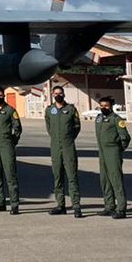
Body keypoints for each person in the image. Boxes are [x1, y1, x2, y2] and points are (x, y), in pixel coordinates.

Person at [44, 85, 83, 218]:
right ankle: (60, 205)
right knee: (57, 177)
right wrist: (56, 138)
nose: (58, 95)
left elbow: (77, 126)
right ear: (52, 95)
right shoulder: (50, 110)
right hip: (55, 147)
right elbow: (48, 127)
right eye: (55, 93)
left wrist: (69, 138)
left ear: (64, 94)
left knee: (72, 177)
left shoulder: (71, 109)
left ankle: (76, 206)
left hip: (68, 147)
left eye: (60, 93)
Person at [0, 86, 23, 214]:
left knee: (10, 176)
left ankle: (14, 204)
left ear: (4, 96)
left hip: (7, 147)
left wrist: (11, 142)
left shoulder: (10, 111)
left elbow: (17, 129)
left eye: (0, 96)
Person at [94, 95, 130, 219]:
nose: (104, 108)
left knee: (116, 179)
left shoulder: (116, 119)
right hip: (102, 151)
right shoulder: (98, 118)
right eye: (102, 106)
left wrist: (119, 149)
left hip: (113, 151)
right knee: (105, 180)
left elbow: (125, 137)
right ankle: (109, 206)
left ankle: (121, 208)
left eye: (106, 106)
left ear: (111, 106)